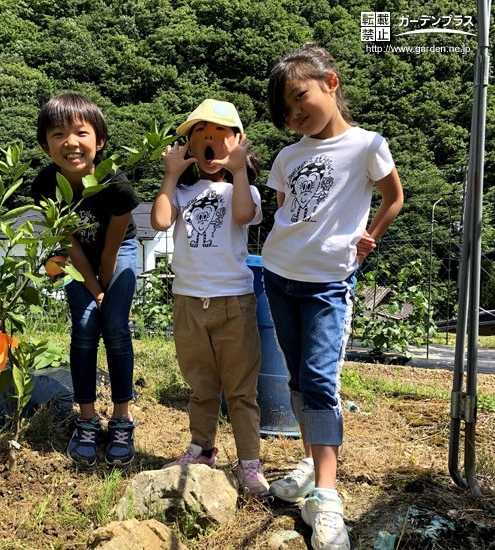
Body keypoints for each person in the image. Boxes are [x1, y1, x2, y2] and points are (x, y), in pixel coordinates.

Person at [262, 44, 404, 549]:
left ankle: (325, 496)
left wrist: (373, 235)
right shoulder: (288, 155)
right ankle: (310, 460)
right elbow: (287, 209)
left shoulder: (367, 145)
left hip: (328, 282)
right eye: (286, 111)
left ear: (331, 83)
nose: (295, 113)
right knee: (299, 377)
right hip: (279, 275)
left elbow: (394, 196)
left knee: (321, 380)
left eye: (300, 97)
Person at [150, 99, 268, 497]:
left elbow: (240, 216)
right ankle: (201, 449)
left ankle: (249, 462)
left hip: (234, 301)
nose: (210, 144)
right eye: (201, 137)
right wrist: (169, 175)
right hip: (188, 300)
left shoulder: (245, 190)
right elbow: (161, 221)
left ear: (238, 141)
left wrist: (237, 169)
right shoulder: (183, 192)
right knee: (201, 385)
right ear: (189, 146)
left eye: (220, 136)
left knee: (240, 389)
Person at [32, 93, 140, 468]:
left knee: (114, 325)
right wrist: (92, 288)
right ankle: (87, 418)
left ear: (100, 140)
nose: (71, 142)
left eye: (81, 132)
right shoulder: (45, 185)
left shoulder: (116, 184)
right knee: (83, 326)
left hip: (118, 252)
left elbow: (111, 249)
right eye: (58, 133)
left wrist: (105, 286)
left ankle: (123, 417)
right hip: (76, 257)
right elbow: (68, 244)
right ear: (46, 144)